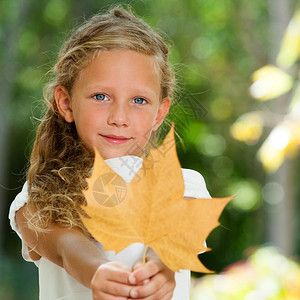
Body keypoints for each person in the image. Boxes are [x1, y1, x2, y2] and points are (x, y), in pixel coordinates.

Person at [9, 6, 211, 300]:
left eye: (139, 100)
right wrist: (96, 272)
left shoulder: (185, 184)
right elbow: (66, 246)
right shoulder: (39, 195)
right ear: (66, 103)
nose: (119, 116)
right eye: (101, 96)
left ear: (159, 114)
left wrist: (161, 267)